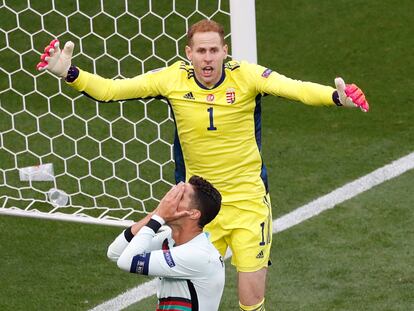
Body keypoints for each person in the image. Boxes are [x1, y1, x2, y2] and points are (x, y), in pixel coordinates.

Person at [37, 19, 369, 311]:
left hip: (248, 203)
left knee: (251, 300)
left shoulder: (247, 77)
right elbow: (111, 90)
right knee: (186, 297)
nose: (207, 58)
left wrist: (335, 97)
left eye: (213, 50)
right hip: (197, 209)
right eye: (201, 51)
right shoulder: (172, 79)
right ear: (189, 53)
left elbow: (294, 88)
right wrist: (70, 73)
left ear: (225, 51)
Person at [107, 175, 224, 311]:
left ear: (193, 214)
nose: (169, 201)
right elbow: (115, 253)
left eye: (179, 197)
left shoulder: (197, 255)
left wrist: (159, 218)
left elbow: (126, 262)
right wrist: (155, 213)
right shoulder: (169, 239)